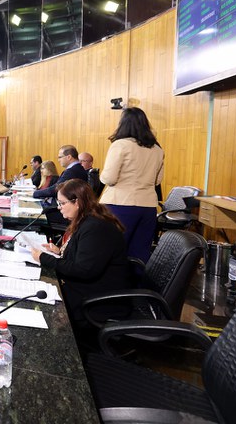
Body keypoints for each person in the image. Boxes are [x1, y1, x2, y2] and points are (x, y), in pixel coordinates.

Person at [31, 179, 131, 330]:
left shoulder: (95, 227)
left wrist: (44, 258)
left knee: (42, 307)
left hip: (99, 300)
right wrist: (59, 251)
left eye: (62, 203)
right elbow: (85, 254)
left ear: (76, 202)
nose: (59, 207)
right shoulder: (87, 219)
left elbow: (84, 270)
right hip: (91, 288)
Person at [99, 107, 165, 263]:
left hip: (120, 204)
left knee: (112, 250)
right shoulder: (157, 149)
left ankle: (114, 280)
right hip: (148, 206)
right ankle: (137, 280)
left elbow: (109, 178)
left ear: (123, 124)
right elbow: (157, 181)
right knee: (140, 254)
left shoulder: (120, 145)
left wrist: (101, 175)